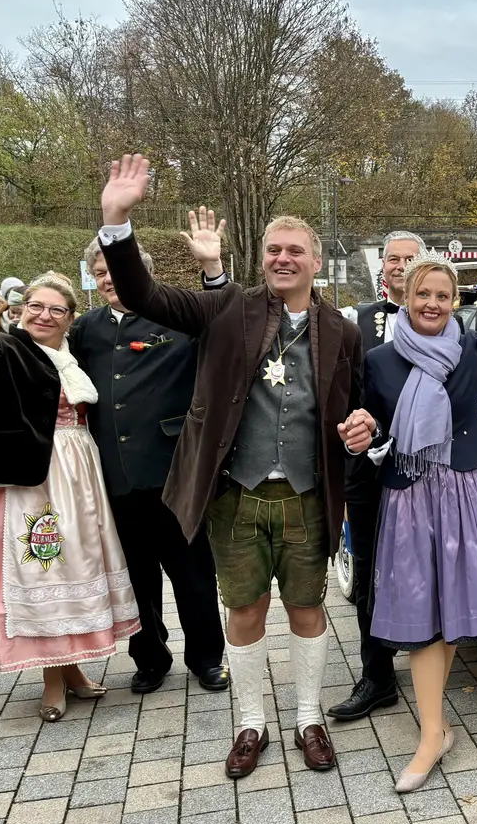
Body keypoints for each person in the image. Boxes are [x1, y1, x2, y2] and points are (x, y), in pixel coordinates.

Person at [95, 154, 367, 779]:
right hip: (235, 498)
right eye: (274, 249)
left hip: (306, 498)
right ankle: (250, 722)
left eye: (296, 250)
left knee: (307, 610)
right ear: (261, 256)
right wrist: (117, 219)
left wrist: (362, 427)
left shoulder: (342, 331)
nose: (283, 259)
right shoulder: (227, 312)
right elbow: (142, 294)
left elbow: (355, 409)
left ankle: (308, 717)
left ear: (316, 261)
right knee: (243, 612)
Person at [339, 217, 477, 792]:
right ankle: (433, 730)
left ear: (455, 300)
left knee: (449, 610)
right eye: (422, 294)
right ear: (403, 297)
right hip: (408, 495)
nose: (433, 303)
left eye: (443, 294)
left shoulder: (474, 348)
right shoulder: (380, 360)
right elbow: (371, 418)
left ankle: (433, 730)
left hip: (460, 492)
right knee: (422, 614)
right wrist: (361, 427)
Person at [0, 251, 140, 721]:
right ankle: (51, 679)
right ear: (20, 310)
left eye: (55, 309)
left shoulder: (71, 355)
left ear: (70, 317)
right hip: (33, 482)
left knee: (76, 568)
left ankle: (73, 669)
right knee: (44, 567)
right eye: (35, 306)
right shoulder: (3, 349)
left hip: (79, 475)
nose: (44, 315)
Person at [70, 206, 234, 697]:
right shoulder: (87, 330)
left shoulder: (176, 316)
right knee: (135, 575)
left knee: (193, 573)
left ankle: (207, 657)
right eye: (99, 273)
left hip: (173, 471)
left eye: (115, 270)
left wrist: (213, 269)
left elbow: (223, 315)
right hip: (114, 475)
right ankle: (150, 657)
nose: (108, 279)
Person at [329, 229, 425, 722]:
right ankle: (377, 675)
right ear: (381, 266)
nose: (401, 266)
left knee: (425, 569)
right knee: (368, 572)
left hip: (424, 471)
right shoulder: (353, 321)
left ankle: (430, 664)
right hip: (366, 471)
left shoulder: (445, 317)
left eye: (411, 258)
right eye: (393, 259)